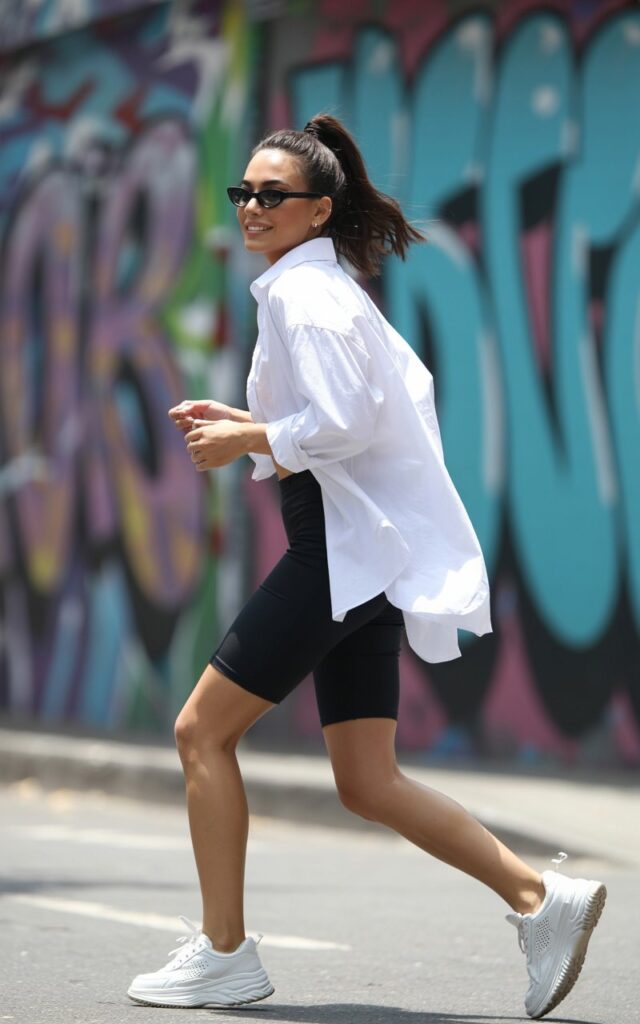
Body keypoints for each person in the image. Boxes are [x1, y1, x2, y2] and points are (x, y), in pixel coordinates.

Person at [127, 114, 606, 1018]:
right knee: (366, 780)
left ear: (317, 210)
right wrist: (247, 424)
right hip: (366, 560)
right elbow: (372, 410)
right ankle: (543, 900)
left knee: (201, 732)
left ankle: (224, 952)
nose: (253, 207)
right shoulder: (321, 291)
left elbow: (346, 423)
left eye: (274, 195)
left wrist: (251, 438)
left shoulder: (307, 298)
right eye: (245, 193)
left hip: (338, 558)